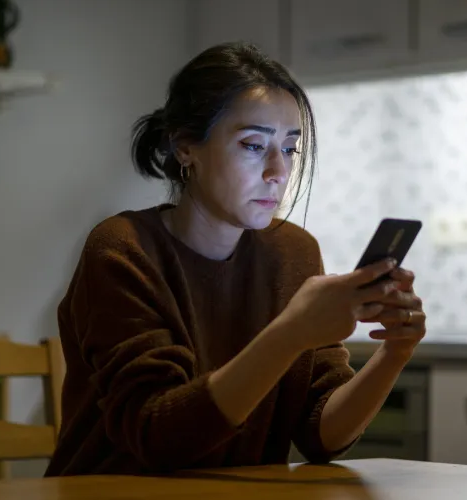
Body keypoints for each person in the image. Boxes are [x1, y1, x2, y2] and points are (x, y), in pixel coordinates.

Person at [45, 41, 426, 476]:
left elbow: (320, 435)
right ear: (186, 146)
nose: (278, 171)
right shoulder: (121, 248)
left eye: (290, 148)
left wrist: (395, 352)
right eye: (252, 145)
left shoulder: (294, 252)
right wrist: (290, 334)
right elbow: (157, 437)